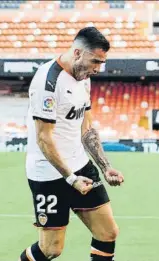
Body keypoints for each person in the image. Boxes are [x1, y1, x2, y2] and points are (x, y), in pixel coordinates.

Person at [20, 27, 124, 261]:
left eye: (101, 62)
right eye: (95, 61)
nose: (98, 69)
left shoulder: (83, 79)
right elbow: (44, 139)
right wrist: (71, 178)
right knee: (51, 249)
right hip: (48, 173)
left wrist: (105, 166)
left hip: (80, 164)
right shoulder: (48, 81)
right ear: (77, 53)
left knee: (108, 232)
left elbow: (86, 128)